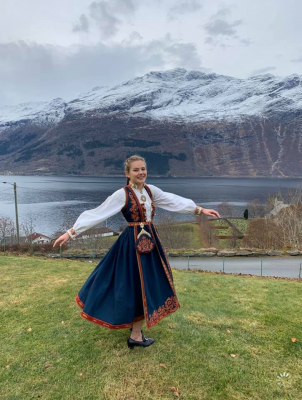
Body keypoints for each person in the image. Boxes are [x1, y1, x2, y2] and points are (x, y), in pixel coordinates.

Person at [53, 155, 220, 349]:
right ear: (127, 173)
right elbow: (99, 213)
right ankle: (136, 335)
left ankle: (136, 330)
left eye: (143, 169)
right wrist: (71, 232)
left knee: (143, 284)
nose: (141, 172)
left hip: (150, 242)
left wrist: (199, 210)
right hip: (131, 246)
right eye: (136, 170)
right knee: (136, 285)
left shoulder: (150, 190)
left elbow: (173, 201)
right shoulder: (122, 194)